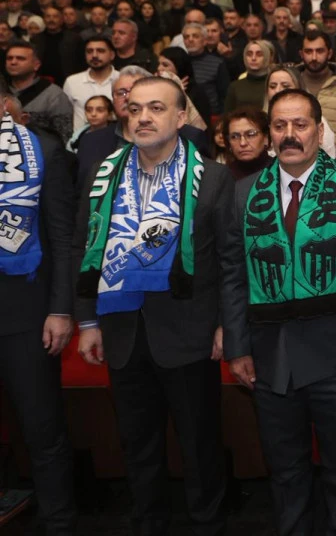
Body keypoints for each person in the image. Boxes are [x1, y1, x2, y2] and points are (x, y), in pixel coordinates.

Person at [73, 75, 237, 536]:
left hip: (189, 332)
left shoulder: (213, 177)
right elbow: (83, 247)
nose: (143, 117)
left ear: (181, 117)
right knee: (137, 446)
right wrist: (86, 320)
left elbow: (230, 260)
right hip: (122, 329)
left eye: (156, 108)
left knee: (200, 446)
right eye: (135, 108)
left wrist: (226, 324)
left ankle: (208, 525)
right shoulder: (102, 174)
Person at [224, 88, 336, 536]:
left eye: (300, 124)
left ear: (319, 129)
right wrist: (237, 347)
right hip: (269, 357)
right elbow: (233, 275)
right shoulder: (244, 193)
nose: (289, 134)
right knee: (285, 472)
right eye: (279, 126)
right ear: (269, 134)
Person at [0, 78, 77, 535]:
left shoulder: (42, 151)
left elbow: (64, 237)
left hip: (26, 312)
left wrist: (61, 309)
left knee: (42, 429)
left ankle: (59, 523)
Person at [74, 66, 211, 184]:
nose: (128, 97)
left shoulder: (191, 137)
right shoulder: (90, 141)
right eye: (121, 92)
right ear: (112, 99)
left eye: (135, 89)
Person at [7, 41, 73, 146]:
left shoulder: (54, 95)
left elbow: (65, 135)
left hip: (41, 151)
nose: (13, 62)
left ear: (36, 65)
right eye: (9, 58)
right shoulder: (2, 90)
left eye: (20, 58)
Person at [63, 34, 116, 132]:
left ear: (112, 55)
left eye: (100, 51)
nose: (94, 55)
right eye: (89, 51)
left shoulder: (122, 80)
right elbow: (66, 118)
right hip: (81, 139)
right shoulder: (72, 82)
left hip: (115, 139)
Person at [219, 107, 272, 181]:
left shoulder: (280, 170)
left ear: (266, 138)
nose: (242, 143)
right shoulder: (221, 177)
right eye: (234, 137)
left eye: (251, 134)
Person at [224, 39, 274, 112]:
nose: (253, 58)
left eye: (259, 54)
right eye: (249, 54)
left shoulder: (273, 85)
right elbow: (227, 115)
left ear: (267, 57)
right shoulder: (235, 86)